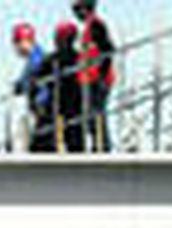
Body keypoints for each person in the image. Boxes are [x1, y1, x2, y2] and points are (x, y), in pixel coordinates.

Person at [74, 0, 117, 152]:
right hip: (92, 79)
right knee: (92, 114)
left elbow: (108, 49)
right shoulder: (89, 27)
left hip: (97, 80)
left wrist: (101, 74)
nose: (76, 13)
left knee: (97, 113)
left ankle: (102, 146)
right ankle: (98, 144)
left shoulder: (96, 25)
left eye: (78, 9)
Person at [9, 23, 54, 153]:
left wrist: (19, 86)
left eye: (17, 43)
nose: (16, 48)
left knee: (39, 146)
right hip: (40, 108)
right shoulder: (35, 57)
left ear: (25, 41)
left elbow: (32, 78)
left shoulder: (36, 58)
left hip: (43, 109)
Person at [46, 21, 85, 153]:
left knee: (68, 130)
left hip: (62, 101)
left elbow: (38, 77)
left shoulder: (52, 59)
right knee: (74, 132)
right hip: (73, 101)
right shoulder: (79, 58)